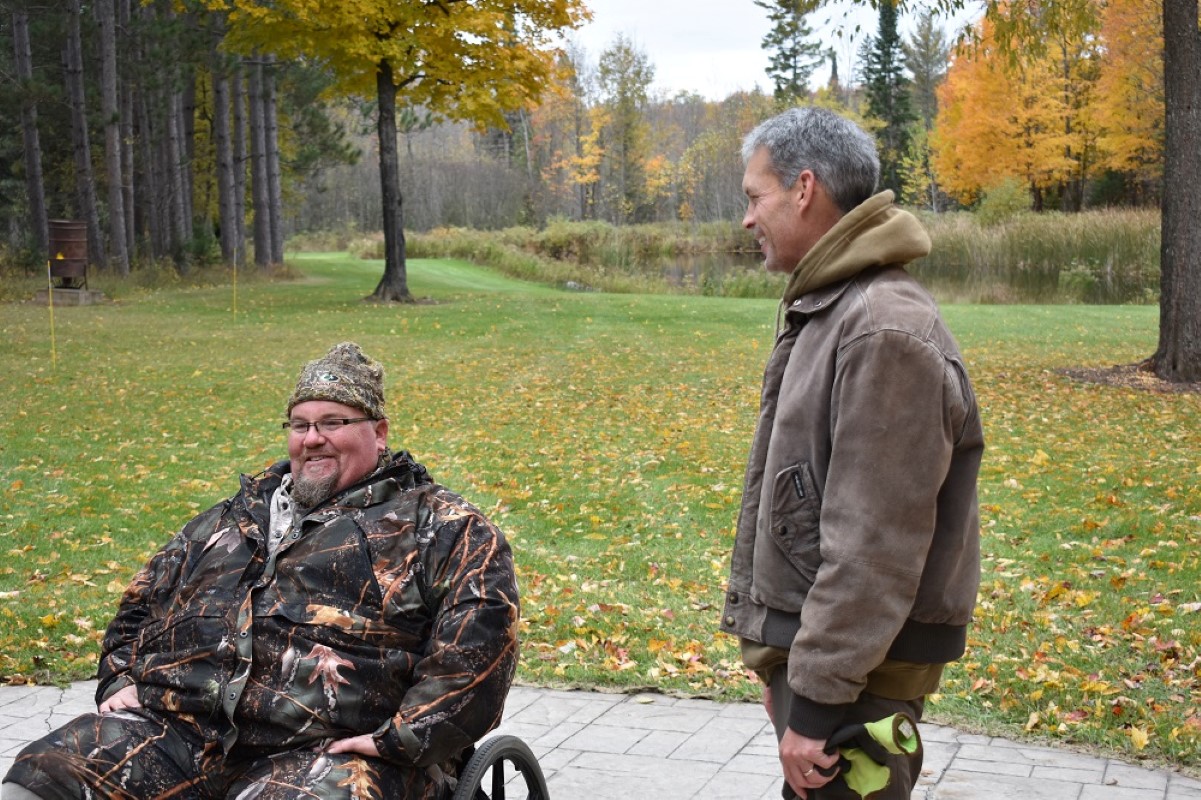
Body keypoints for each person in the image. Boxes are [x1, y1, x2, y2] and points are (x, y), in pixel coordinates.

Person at [3, 342, 519, 800]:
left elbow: (478, 649)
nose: (312, 439)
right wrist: (119, 674)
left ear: (378, 433)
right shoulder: (231, 518)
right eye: (300, 425)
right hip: (180, 737)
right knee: (46, 771)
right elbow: (141, 601)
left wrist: (402, 738)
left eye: (334, 423)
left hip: (331, 752)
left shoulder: (443, 528)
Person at [719, 107, 984, 800]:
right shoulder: (834, 308)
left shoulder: (881, 329)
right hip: (831, 663)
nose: (747, 219)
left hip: (860, 676)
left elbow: (874, 545)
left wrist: (816, 701)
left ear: (803, 189)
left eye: (755, 196)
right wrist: (786, 665)